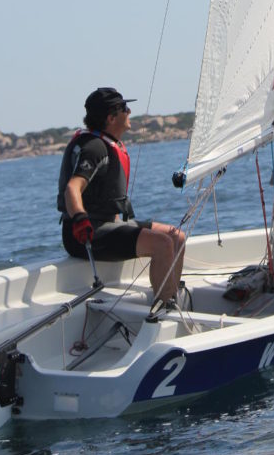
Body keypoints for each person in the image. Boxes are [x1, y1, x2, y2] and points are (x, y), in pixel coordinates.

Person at [57, 87, 185, 307]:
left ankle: (172, 295)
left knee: (177, 236)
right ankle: (164, 310)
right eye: (124, 108)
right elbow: (72, 188)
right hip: (86, 233)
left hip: (110, 223)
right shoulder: (95, 148)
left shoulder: (102, 142)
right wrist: (79, 219)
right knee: (163, 244)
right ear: (111, 117)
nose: (130, 111)